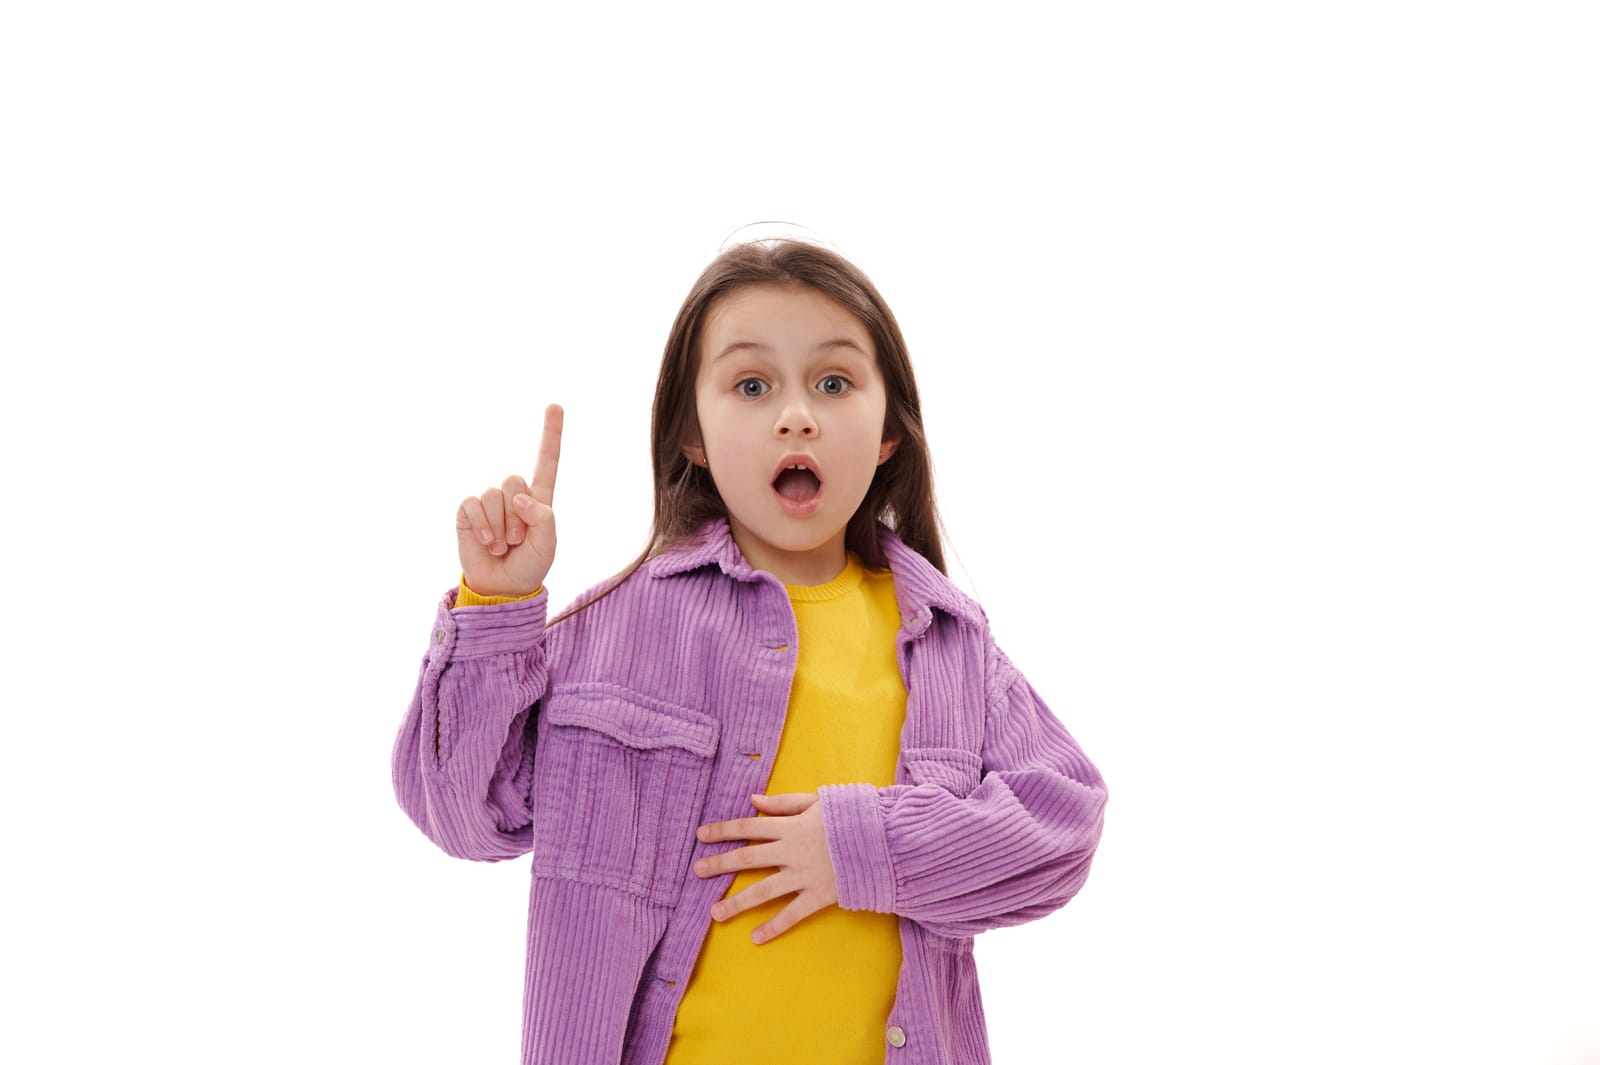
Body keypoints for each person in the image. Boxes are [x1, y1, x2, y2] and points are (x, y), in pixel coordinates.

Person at [391, 237, 1107, 1065]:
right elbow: (461, 811)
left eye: (834, 382)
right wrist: (499, 606)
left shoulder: (949, 642)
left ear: (887, 437)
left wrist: (861, 845)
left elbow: (1063, 823)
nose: (796, 413)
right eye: (752, 383)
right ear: (692, 433)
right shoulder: (619, 628)